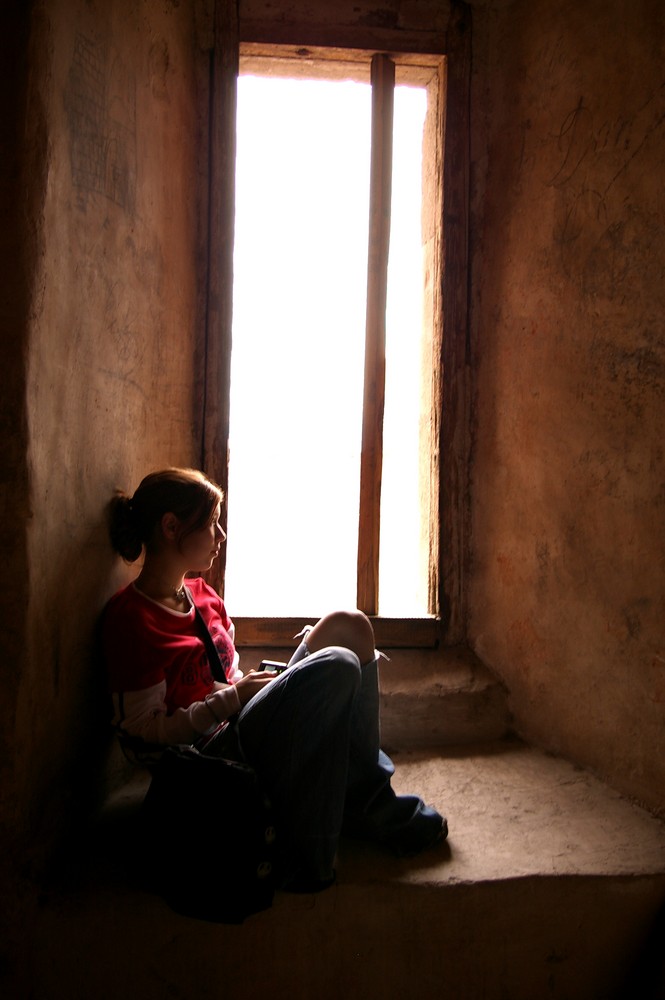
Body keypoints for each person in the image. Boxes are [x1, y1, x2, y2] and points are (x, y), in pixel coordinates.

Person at [102, 467, 447, 892]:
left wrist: (245, 687)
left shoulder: (204, 597)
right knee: (337, 663)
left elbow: (223, 677)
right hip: (206, 755)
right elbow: (143, 736)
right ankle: (343, 826)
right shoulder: (131, 621)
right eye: (210, 524)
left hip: (237, 717)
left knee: (349, 626)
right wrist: (230, 700)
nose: (221, 535)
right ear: (171, 527)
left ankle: (365, 800)